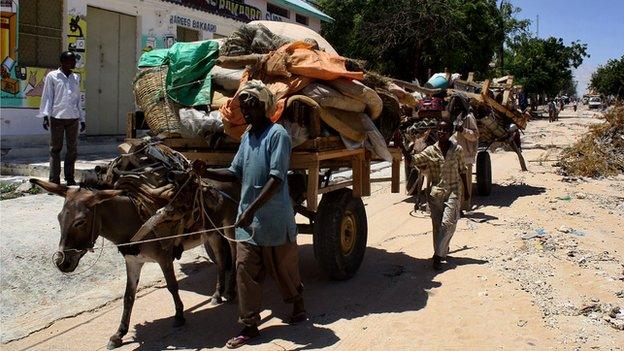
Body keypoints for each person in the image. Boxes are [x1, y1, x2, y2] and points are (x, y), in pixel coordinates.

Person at [194, 80, 306, 349]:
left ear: (263, 106)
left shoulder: (278, 135)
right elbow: (234, 172)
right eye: (242, 105)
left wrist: (250, 210)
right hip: (248, 221)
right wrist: (206, 171)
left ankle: (298, 306)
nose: (243, 110)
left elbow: (276, 178)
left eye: (248, 104)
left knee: (284, 270)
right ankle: (249, 325)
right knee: (245, 270)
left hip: (274, 219)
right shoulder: (246, 137)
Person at [411, 120, 469, 270]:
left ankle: (437, 256)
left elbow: (462, 170)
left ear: (450, 133)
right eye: (439, 130)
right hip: (436, 193)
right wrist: (405, 152)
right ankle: (442, 250)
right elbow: (415, 160)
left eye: (444, 130)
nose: (441, 133)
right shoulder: (431, 150)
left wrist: (467, 192)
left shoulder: (458, 150)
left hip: (454, 191)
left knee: (448, 223)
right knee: (437, 226)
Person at [38, 51, 85, 185]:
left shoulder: (76, 77)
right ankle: (54, 179)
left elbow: (77, 100)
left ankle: (69, 178)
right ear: (64, 62)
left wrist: (82, 119)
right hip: (56, 117)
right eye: (72, 61)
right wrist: (46, 116)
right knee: (55, 149)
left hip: (73, 117)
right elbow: (47, 96)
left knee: (72, 149)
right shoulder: (52, 76)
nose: (74, 63)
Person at [449, 97, 478, 212]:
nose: (455, 107)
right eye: (454, 105)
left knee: (465, 183)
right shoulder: (455, 118)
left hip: (466, 155)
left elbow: (475, 135)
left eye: (457, 105)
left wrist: (463, 130)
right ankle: (457, 207)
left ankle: (464, 207)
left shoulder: (469, 118)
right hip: (455, 155)